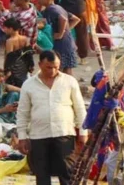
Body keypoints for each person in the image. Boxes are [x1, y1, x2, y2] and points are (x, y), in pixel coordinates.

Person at [16, 51, 87, 185]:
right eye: (49, 67)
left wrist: (83, 132)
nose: (53, 70)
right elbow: (23, 112)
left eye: (56, 67)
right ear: (40, 65)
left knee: (67, 173)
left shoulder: (69, 81)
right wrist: (22, 136)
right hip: (39, 135)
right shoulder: (29, 84)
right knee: (41, 174)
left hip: (64, 133)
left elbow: (80, 108)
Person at [37, 0, 78, 74]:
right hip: (68, 42)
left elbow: (63, 19)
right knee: (67, 68)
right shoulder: (58, 7)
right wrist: (66, 30)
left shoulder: (51, 9)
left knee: (57, 68)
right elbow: (75, 19)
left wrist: (60, 33)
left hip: (62, 43)